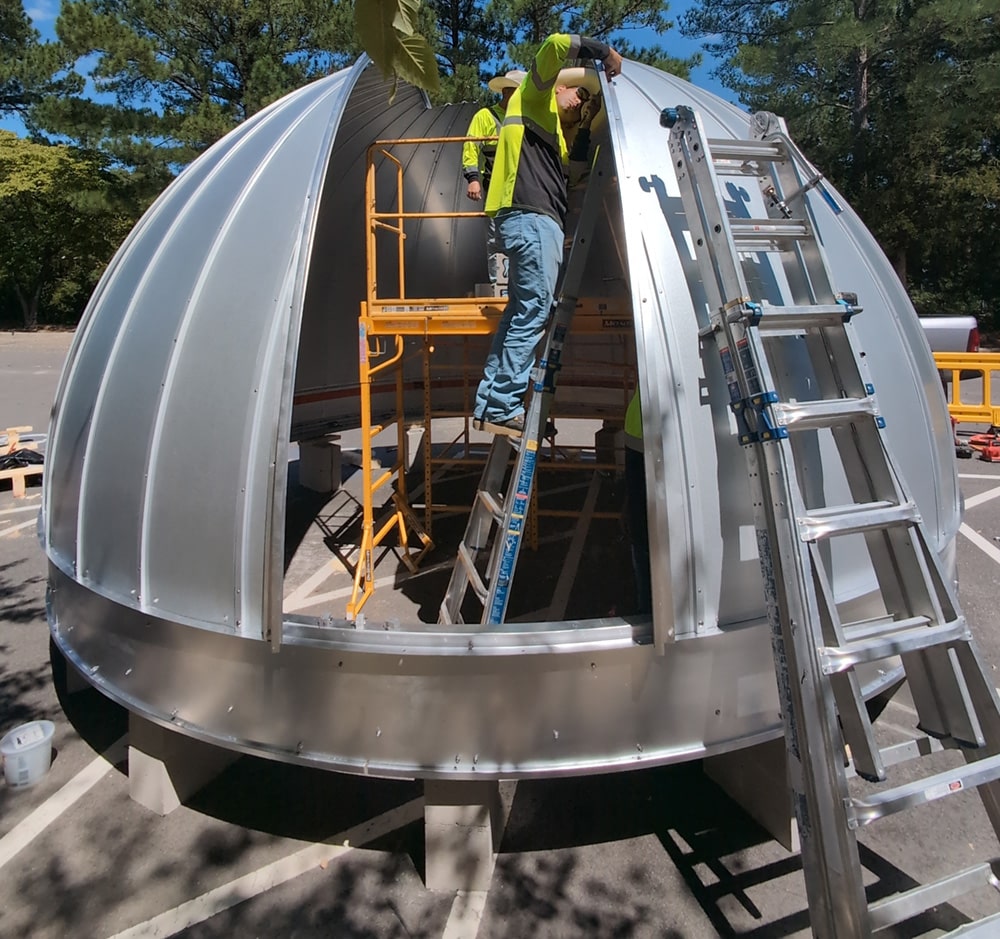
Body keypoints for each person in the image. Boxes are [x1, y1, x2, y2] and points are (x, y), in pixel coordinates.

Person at [472, 33, 623, 438]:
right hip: (532, 218)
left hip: (524, 218)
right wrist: (605, 52)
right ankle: (504, 405)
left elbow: (571, 175)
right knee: (535, 311)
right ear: (554, 84)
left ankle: (490, 402)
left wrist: (587, 128)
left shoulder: (548, 128)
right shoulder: (533, 96)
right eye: (574, 90)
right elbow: (557, 44)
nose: (577, 98)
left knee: (520, 312)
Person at [462, 71, 524, 288]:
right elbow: (471, 146)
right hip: (495, 189)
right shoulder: (486, 116)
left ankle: (522, 285)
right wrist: (473, 178)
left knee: (524, 236)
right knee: (496, 237)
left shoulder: (528, 117)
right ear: (507, 92)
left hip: (524, 188)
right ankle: (500, 285)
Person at [624, 389, 652, 615]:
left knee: (641, 530)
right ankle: (647, 609)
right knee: (645, 535)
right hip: (649, 438)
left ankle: (645, 607)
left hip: (637, 431)